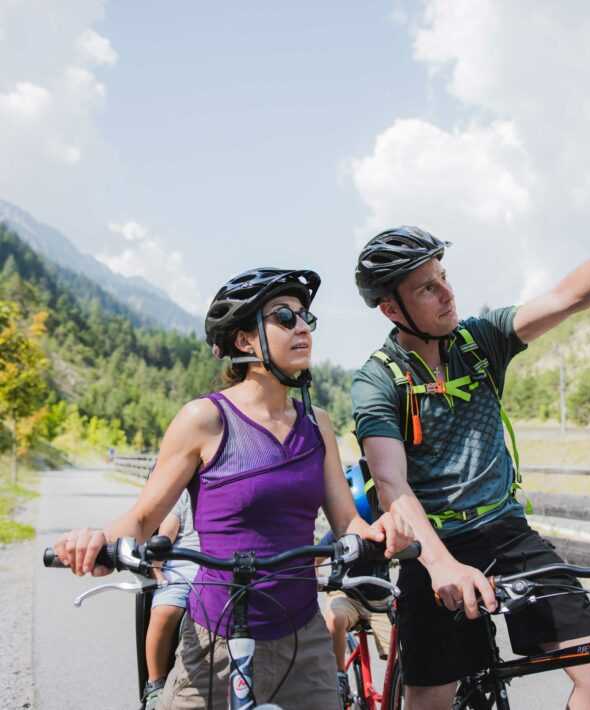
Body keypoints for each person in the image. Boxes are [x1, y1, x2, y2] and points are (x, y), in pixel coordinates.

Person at [351, 186, 590, 710]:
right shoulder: (378, 379)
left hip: (508, 534)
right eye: (427, 288)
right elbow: (391, 482)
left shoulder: (480, 341)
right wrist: (441, 566)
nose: (447, 293)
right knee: (430, 700)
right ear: (390, 308)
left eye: (444, 277)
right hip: (434, 545)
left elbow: (565, 298)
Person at [54, 267, 413, 710]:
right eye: (285, 317)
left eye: (306, 318)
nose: (302, 327)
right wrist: (98, 541)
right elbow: (144, 518)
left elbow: (346, 520)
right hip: (214, 641)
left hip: (304, 640)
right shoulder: (203, 419)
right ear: (244, 341)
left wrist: (379, 532)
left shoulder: (316, 423)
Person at [319, 462, 393, 702]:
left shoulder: (386, 530)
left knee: (400, 655)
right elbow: (314, 557)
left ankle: (397, 691)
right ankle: (339, 675)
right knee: (334, 619)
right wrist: (314, 578)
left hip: (380, 603)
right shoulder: (338, 532)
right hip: (347, 597)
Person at [142, 489, 200, 710]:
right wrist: (157, 564)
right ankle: (155, 683)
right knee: (164, 611)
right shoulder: (185, 493)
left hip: (223, 566)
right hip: (184, 564)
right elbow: (167, 532)